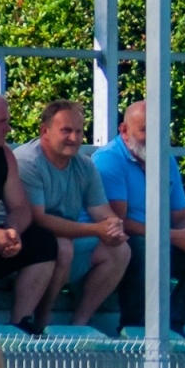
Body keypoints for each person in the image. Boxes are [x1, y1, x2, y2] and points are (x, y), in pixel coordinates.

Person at [96, 101, 185, 337]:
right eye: (146, 130)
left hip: (163, 239)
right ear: (124, 131)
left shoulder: (166, 160)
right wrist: (173, 237)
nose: (155, 138)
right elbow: (117, 221)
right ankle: (134, 327)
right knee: (143, 246)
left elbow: (182, 216)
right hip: (122, 242)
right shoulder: (108, 160)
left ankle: (173, 325)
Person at [15, 100, 130, 329]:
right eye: (66, 130)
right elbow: (39, 219)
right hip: (24, 248)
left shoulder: (84, 166)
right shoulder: (28, 162)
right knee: (61, 247)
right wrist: (96, 229)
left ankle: (78, 325)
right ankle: (42, 322)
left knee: (121, 249)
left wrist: (113, 226)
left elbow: (103, 212)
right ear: (44, 131)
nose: (75, 138)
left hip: (59, 245)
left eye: (79, 131)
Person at [0, 95, 59, 333]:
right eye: (0, 122)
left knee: (42, 241)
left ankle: (20, 326)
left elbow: (21, 207)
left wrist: (11, 231)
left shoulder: (4, 156)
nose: (8, 128)